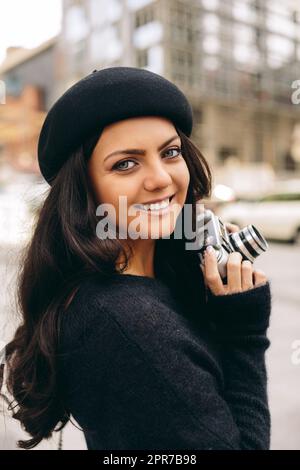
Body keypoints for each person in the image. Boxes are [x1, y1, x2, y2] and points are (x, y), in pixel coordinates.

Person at [2, 67, 272, 450]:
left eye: (170, 152)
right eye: (126, 163)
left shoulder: (130, 285)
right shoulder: (131, 324)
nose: (161, 178)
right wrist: (244, 334)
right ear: (84, 189)